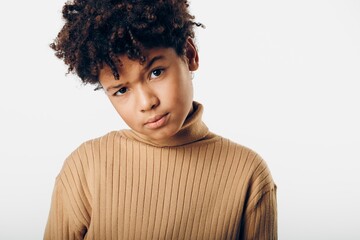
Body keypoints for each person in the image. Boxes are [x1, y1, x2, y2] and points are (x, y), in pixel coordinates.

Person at [44, 0, 277, 239]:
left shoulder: (248, 174)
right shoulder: (85, 167)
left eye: (156, 72)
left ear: (189, 54)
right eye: (122, 90)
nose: (146, 103)